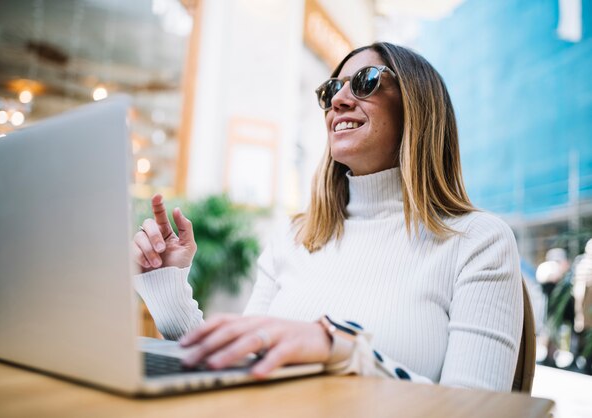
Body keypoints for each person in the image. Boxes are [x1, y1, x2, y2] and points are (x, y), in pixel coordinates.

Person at [133, 42, 523, 391]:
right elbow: (242, 364)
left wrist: (339, 348)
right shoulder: (294, 236)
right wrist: (167, 290)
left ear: (419, 107)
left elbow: (476, 407)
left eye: (366, 82)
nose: (339, 100)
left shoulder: (479, 241)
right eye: (331, 89)